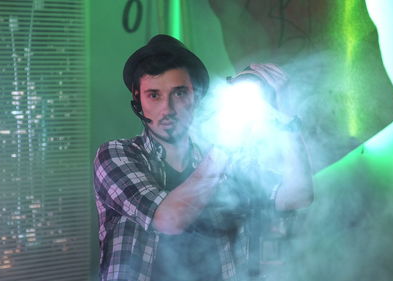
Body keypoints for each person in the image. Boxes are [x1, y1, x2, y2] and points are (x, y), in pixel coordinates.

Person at [93, 34, 313, 281]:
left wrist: (289, 123)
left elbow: (298, 195)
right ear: (138, 100)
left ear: (196, 96)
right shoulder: (116, 155)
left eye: (179, 93)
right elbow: (169, 219)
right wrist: (224, 147)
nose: (167, 109)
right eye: (154, 95)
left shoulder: (228, 161)